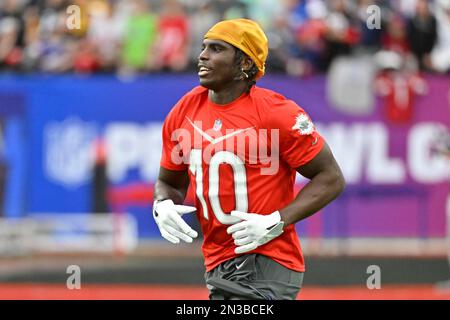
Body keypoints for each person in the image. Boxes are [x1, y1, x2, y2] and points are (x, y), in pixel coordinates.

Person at [153, 18, 345, 300]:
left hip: (268, 259)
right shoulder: (185, 109)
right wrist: (163, 203)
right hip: (216, 261)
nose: (203, 55)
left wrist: (277, 220)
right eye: (204, 46)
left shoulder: (275, 112)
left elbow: (331, 178)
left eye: (217, 49)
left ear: (245, 63)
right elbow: (168, 181)